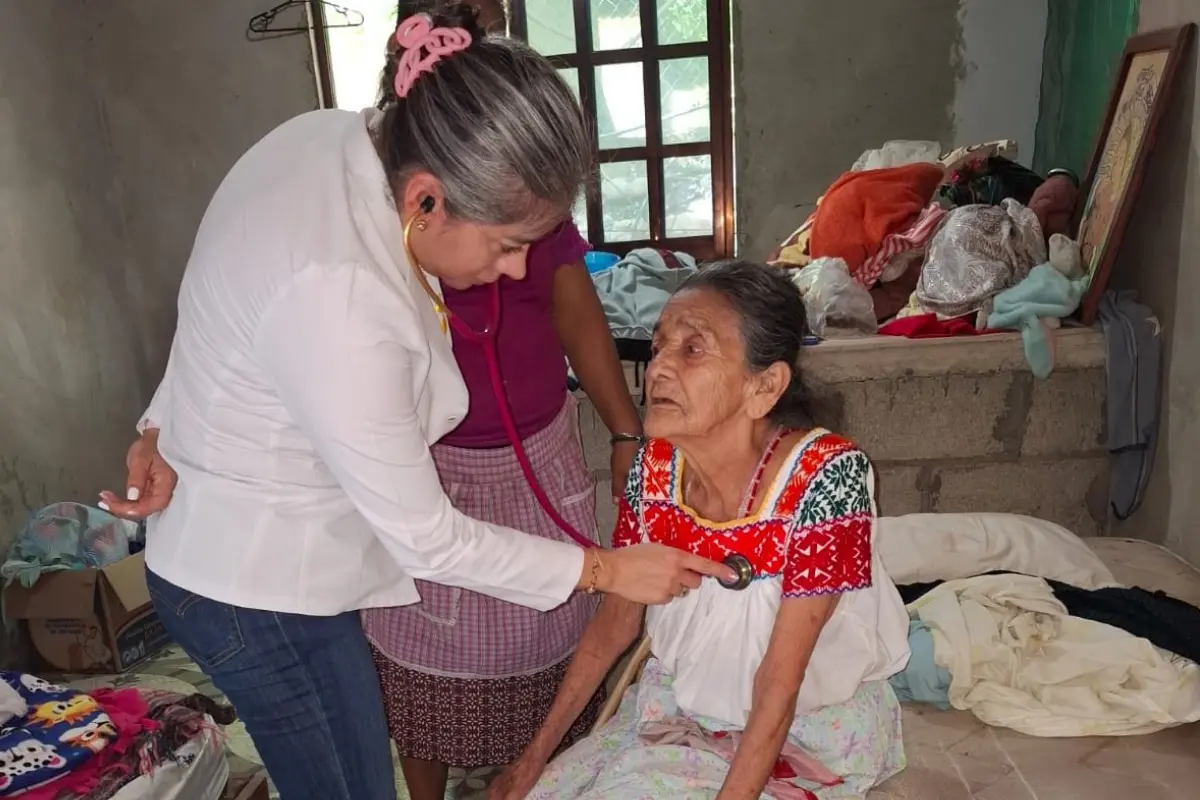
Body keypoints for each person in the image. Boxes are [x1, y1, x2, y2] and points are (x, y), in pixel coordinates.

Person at [98, 4, 733, 798]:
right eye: (506, 246)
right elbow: (431, 541)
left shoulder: (331, 138)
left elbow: (225, 302)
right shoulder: (344, 296)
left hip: (292, 551)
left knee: (367, 773)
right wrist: (608, 569)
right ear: (426, 199)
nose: (512, 273)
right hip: (243, 582)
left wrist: (160, 421)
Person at [488, 261, 913, 800]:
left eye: (693, 350)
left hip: (804, 729)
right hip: (684, 710)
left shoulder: (824, 478)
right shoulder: (656, 470)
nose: (659, 369)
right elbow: (614, 626)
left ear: (764, 386)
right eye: (660, 346)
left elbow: (780, 681)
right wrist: (528, 765)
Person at [364, 2, 642, 796]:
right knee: (425, 653)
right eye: (502, 248)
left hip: (534, 455)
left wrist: (626, 431)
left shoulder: (524, 186)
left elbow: (575, 307)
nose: (512, 269)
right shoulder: (381, 219)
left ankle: (537, 778)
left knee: (548, 638)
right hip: (431, 466)